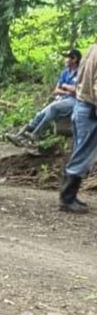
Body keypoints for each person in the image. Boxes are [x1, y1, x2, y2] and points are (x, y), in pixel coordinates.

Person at [8, 49, 82, 146]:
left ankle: (36, 134)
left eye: (67, 57)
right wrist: (68, 90)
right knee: (41, 113)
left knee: (53, 108)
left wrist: (65, 86)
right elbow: (56, 90)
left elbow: (78, 91)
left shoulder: (81, 72)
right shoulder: (65, 72)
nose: (65, 60)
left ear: (74, 59)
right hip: (63, 98)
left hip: (75, 100)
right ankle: (20, 135)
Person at [58, 43, 97, 213]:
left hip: (81, 105)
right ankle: (67, 198)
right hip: (90, 109)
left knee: (79, 151)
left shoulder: (92, 49)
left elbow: (80, 76)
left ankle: (69, 196)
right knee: (83, 154)